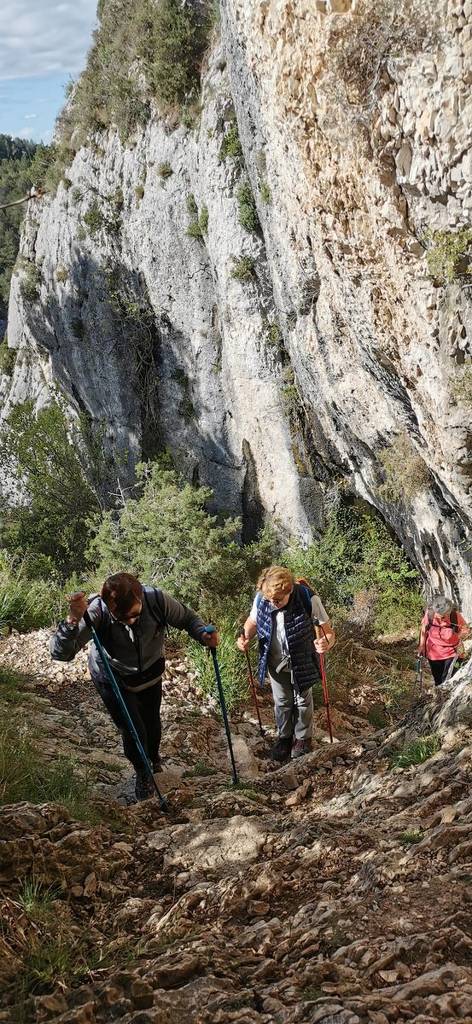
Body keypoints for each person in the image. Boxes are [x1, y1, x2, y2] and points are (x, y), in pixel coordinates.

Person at [50, 572, 218, 800]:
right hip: (113, 679)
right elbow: (61, 653)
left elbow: (188, 618)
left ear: (141, 598)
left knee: (152, 723)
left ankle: (154, 758)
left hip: (150, 673)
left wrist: (202, 634)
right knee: (133, 731)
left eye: (135, 615)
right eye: (121, 617)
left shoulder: (156, 599)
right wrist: (72, 619)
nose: (130, 622)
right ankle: (143, 772)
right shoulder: (97, 611)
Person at [237, 565, 335, 761]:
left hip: (302, 658)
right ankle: (284, 738)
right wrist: (245, 637)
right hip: (274, 658)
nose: (272, 604)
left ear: (289, 591)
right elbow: (252, 621)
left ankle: (303, 740)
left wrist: (326, 644)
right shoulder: (262, 598)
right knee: (281, 700)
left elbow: (328, 631)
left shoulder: (307, 598)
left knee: (302, 700)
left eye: (278, 601)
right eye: (269, 600)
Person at [418, 594, 469, 687]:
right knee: (438, 679)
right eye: (439, 615)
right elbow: (424, 630)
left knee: (449, 679)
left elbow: (466, 630)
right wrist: (421, 646)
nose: (441, 618)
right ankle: (440, 698)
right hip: (434, 654)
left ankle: (449, 698)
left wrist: (457, 635)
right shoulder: (430, 614)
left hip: (453, 652)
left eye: (443, 615)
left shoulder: (455, 616)